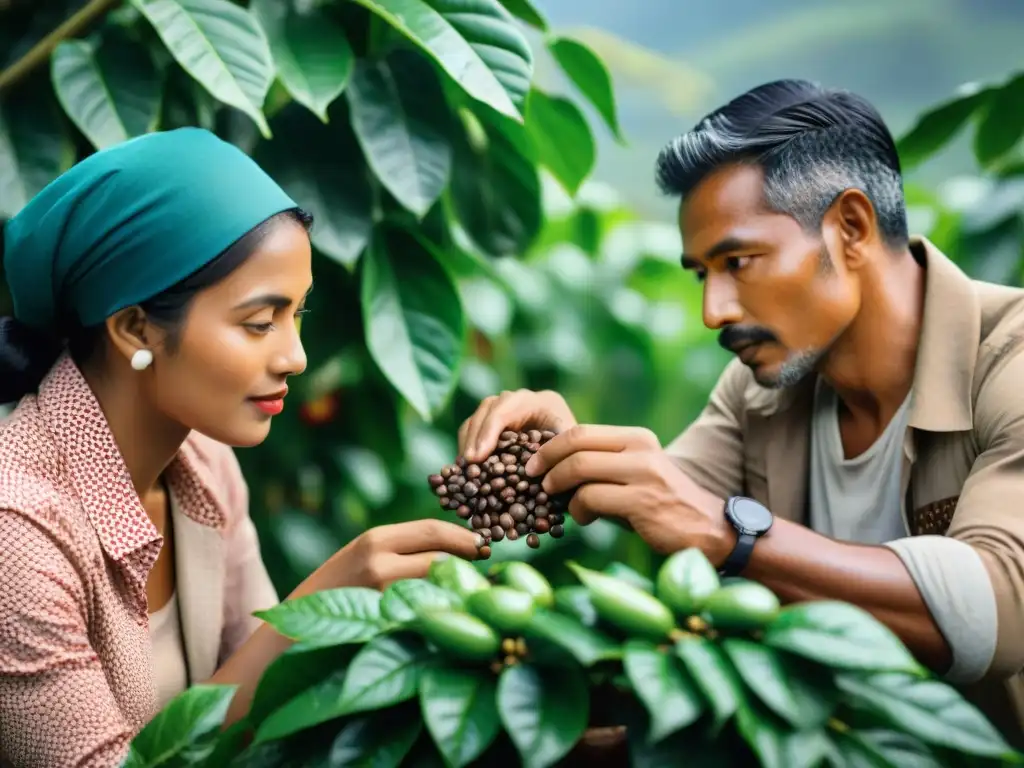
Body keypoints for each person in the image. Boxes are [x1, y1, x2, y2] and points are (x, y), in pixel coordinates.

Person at [457, 79, 1024, 744]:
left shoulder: (1009, 360)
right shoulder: (761, 390)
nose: (714, 311)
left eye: (739, 261)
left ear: (850, 227)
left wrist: (735, 536)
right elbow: (665, 500)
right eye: (703, 273)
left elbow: (999, 609)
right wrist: (566, 451)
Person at [0, 128, 483, 768]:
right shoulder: (18, 531)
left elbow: (257, 713)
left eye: (297, 315)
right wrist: (313, 610)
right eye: (259, 323)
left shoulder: (204, 468)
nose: (295, 357)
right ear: (134, 327)